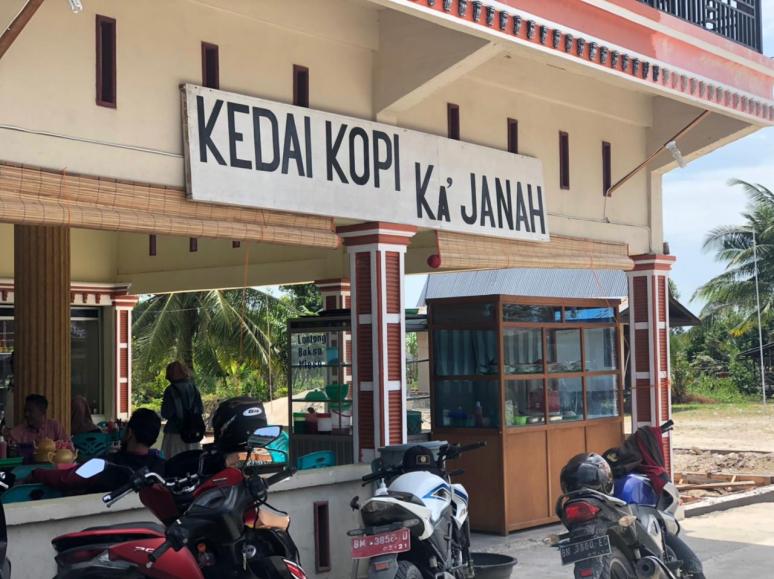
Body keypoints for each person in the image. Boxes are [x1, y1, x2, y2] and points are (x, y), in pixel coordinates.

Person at [28, 408, 165, 494]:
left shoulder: (104, 464)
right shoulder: (160, 468)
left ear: (129, 433)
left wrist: (36, 473)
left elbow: (66, 479)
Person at [161, 361, 204, 458]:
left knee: (173, 461)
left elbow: (166, 413)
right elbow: (200, 409)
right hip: (193, 432)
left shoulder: (170, 390)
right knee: (192, 460)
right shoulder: (193, 388)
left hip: (174, 433)